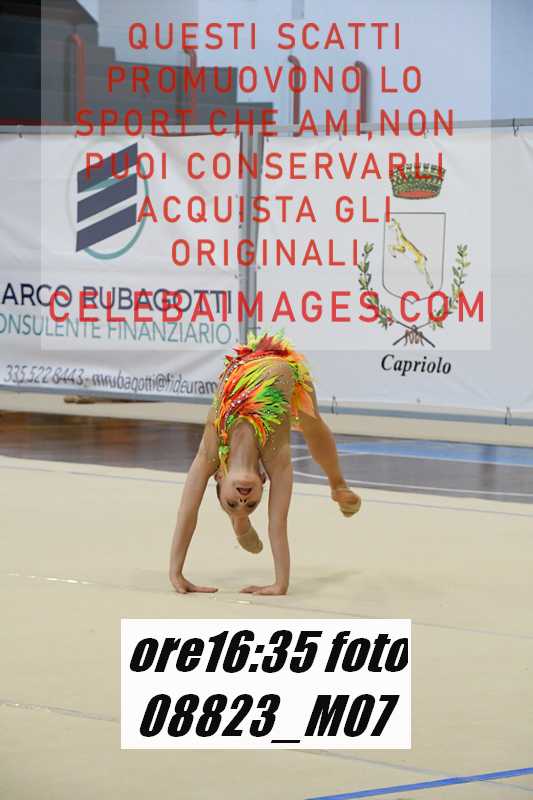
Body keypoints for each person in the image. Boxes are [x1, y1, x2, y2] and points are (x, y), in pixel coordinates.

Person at [168, 332, 361, 596]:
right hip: (286, 367)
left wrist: (175, 571)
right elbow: (277, 523)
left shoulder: (211, 450)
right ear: (263, 481)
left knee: (314, 426)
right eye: (251, 504)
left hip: (247, 358)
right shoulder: (275, 456)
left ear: (218, 476)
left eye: (233, 502)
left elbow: (187, 511)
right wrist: (281, 583)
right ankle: (240, 522)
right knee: (311, 423)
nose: (243, 499)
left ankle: (337, 484)